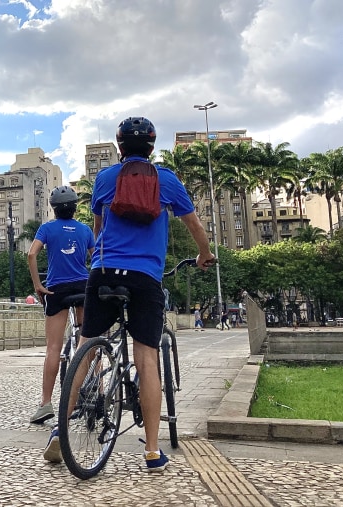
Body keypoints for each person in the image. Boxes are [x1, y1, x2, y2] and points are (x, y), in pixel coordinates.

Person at [45, 117, 215, 472]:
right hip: (145, 279)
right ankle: (152, 452)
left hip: (103, 272)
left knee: (86, 348)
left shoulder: (105, 179)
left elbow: (98, 226)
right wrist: (204, 254)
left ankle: (59, 434)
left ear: (119, 146)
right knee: (146, 358)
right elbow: (194, 224)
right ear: (152, 147)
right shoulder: (167, 180)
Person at [27, 186, 94, 425]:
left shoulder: (47, 228)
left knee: (53, 348)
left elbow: (31, 255)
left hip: (56, 289)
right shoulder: (85, 230)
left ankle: (45, 403)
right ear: (75, 207)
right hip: (84, 287)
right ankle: (96, 389)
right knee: (88, 342)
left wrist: (38, 285)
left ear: (53, 208)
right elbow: (95, 257)